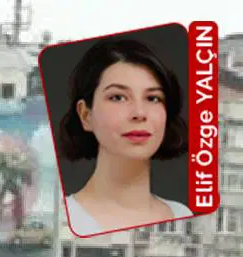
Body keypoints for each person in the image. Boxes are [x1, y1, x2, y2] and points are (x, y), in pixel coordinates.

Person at [56, 38, 191, 235]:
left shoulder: (180, 214)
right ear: (86, 115)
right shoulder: (63, 219)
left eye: (153, 98)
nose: (139, 113)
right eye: (118, 97)